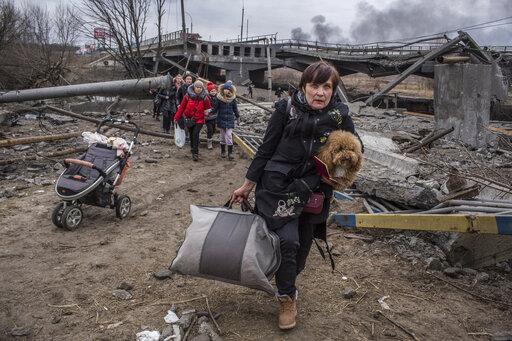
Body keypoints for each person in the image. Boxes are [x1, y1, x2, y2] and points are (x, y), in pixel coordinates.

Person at [231, 61, 362, 330]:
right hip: (279, 188)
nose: (320, 93)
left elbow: (357, 149)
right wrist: (248, 185)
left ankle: (287, 278)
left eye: (327, 87)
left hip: (314, 191)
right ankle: (286, 297)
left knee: (301, 248)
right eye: (315, 85)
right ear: (304, 86)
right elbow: (265, 150)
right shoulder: (285, 109)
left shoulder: (339, 115)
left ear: (333, 90)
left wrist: (337, 173)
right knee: (287, 243)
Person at [174, 80, 211, 161]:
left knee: (195, 134)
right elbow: (182, 108)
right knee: (191, 134)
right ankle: (192, 147)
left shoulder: (205, 97)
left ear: (202, 88)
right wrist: (176, 117)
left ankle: (195, 153)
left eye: (200, 87)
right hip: (189, 119)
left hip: (199, 119)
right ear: (194, 87)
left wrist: (207, 112)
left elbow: (208, 108)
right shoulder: (187, 96)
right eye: (197, 87)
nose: (198, 89)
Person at [211, 82, 239, 161]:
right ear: (223, 90)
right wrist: (210, 112)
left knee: (229, 135)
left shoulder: (233, 99)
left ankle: (230, 153)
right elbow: (215, 108)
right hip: (221, 119)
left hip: (230, 119)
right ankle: (223, 151)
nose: (226, 91)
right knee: (223, 136)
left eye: (228, 89)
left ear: (230, 90)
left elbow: (235, 109)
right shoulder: (219, 98)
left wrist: (238, 117)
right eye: (225, 89)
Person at [206, 82, 218, 150]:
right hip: (208, 117)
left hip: (215, 116)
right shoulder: (207, 98)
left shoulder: (217, 98)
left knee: (213, 130)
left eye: (214, 91)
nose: (213, 92)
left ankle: (210, 137)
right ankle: (209, 143)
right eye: (212, 91)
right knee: (210, 129)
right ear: (209, 92)